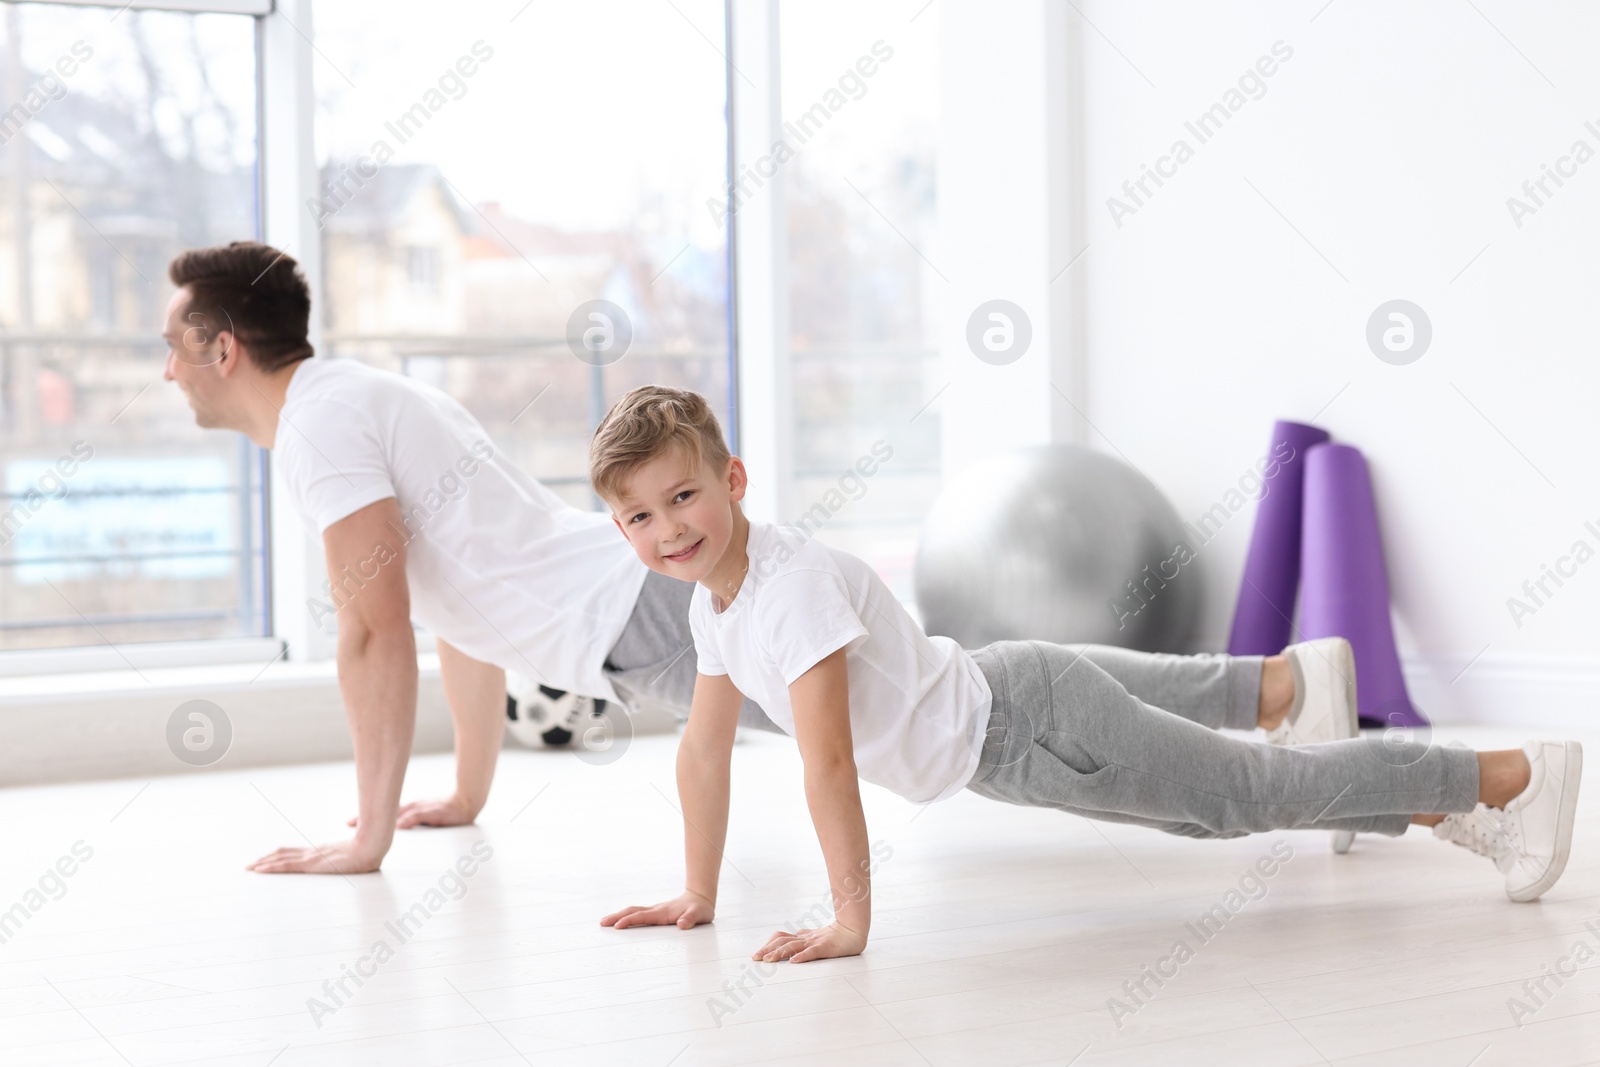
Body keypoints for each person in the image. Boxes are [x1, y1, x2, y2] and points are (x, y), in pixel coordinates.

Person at [594, 385, 1583, 963]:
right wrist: (695, 890)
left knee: (1244, 794)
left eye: (683, 495)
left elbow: (829, 764)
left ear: (733, 479)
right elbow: (703, 749)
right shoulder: (716, 603)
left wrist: (851, 920)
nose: (667, 528)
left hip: (1029, 730)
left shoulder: (792, 588)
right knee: (1216, 799)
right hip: (1012, 710)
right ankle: (1310, 699)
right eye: (639, 515)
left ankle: (1508, 778)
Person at [158, 242, 772, 875]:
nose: (170, 372)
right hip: (630, 598)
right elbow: (463, 609)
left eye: (175, 348)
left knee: (838, 718)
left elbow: (372, 630)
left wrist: (369, 841)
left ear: (223, 350)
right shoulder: (355, 393)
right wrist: (466, 795)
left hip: (637, 609)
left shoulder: (320, 429)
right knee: (832, 706)